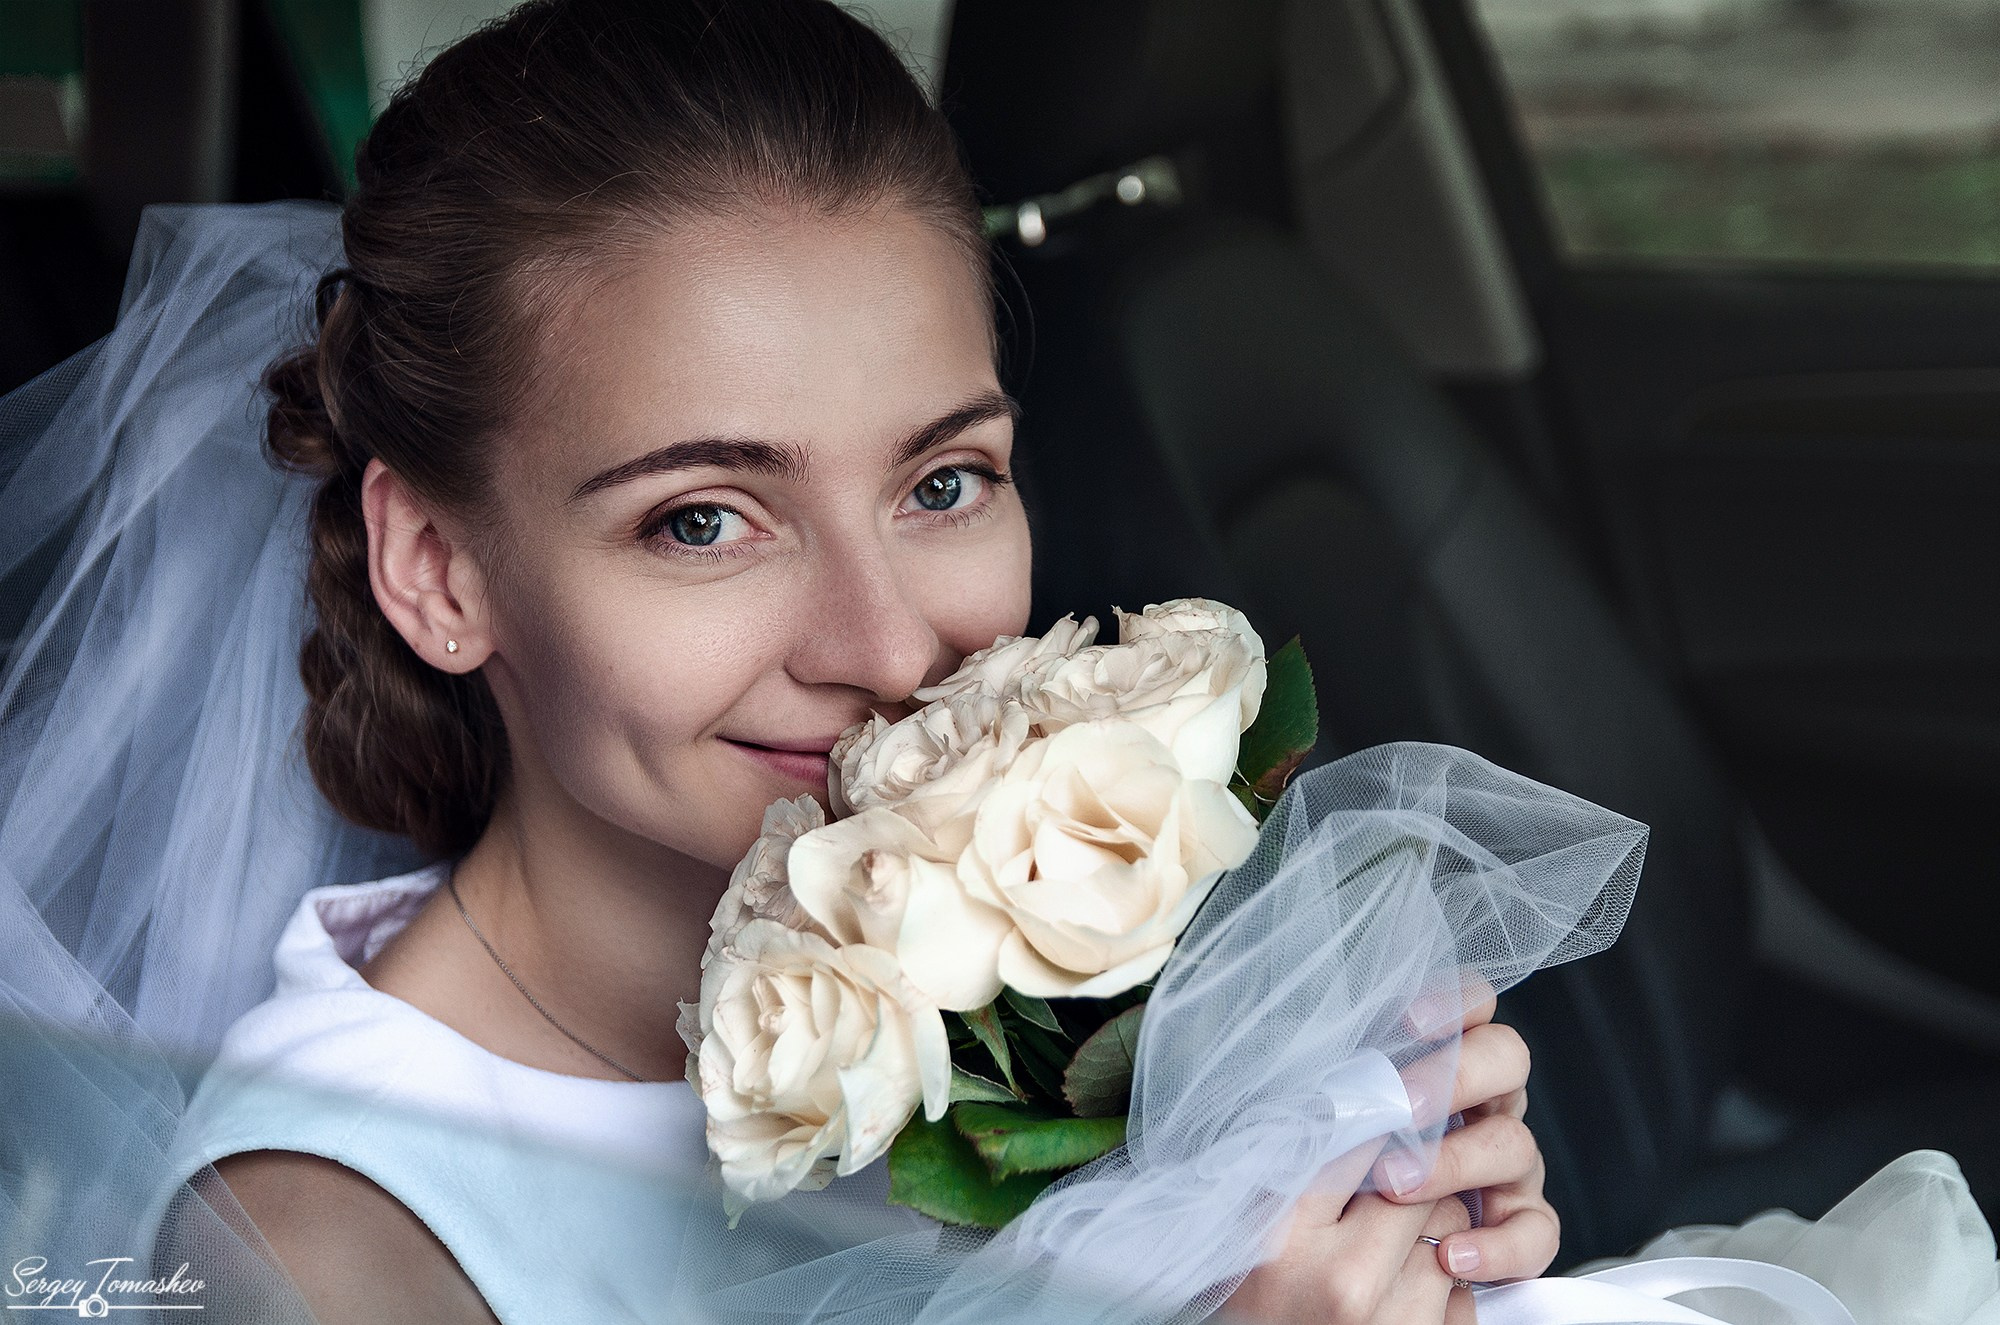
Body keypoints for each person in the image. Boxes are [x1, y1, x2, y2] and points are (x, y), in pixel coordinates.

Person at [1, 4, 1988, 1325]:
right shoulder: (317, 1249)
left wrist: (1395, 1230)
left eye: (945, 479)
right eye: (704, 517)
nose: (891, 647)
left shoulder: (998, 947)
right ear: (435, 569)